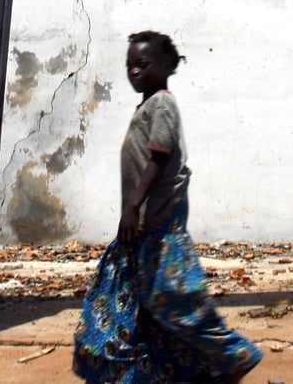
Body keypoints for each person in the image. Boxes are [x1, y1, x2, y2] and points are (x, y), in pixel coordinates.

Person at [72, 30, 263, 384]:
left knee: (174, 300)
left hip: (162, 226)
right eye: (129, 66)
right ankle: (173, 372)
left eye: (142, 65)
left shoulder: (162, 104)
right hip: (147, 228)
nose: (134, 72)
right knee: (145, 306)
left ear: (165, 66)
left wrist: (133, 205)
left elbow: (159, 156)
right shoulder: (147, 105)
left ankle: (234, 355)